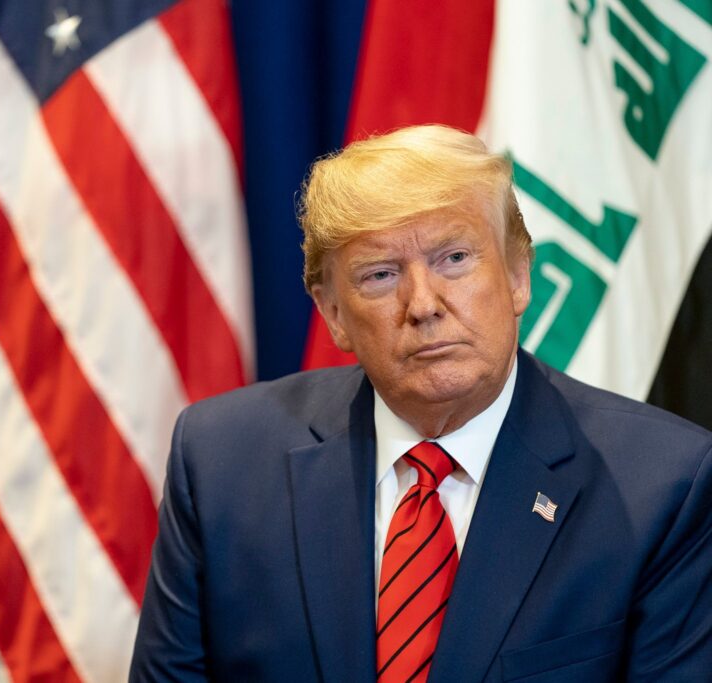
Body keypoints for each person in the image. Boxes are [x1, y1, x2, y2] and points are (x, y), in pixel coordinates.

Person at [129, 125, 712, 681]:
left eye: (454, 259)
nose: (423, 304)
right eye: (380, 275)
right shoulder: (221, 462)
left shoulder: (663, 484)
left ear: (517, 276)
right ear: (332, 312)